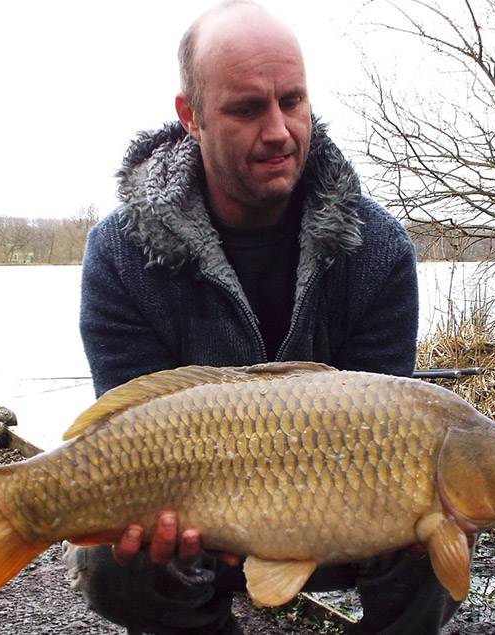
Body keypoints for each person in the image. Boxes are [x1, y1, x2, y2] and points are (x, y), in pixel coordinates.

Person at [64, 1, 460, 633]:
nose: (279, 130)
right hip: (188, 519)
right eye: (247, 108)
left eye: (293, 101)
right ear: (190, 117)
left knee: (439, 530)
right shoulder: (121, 252)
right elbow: (124, 425)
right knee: (111, 560)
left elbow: (390, 427)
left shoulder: (378, 249)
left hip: (341, 519)